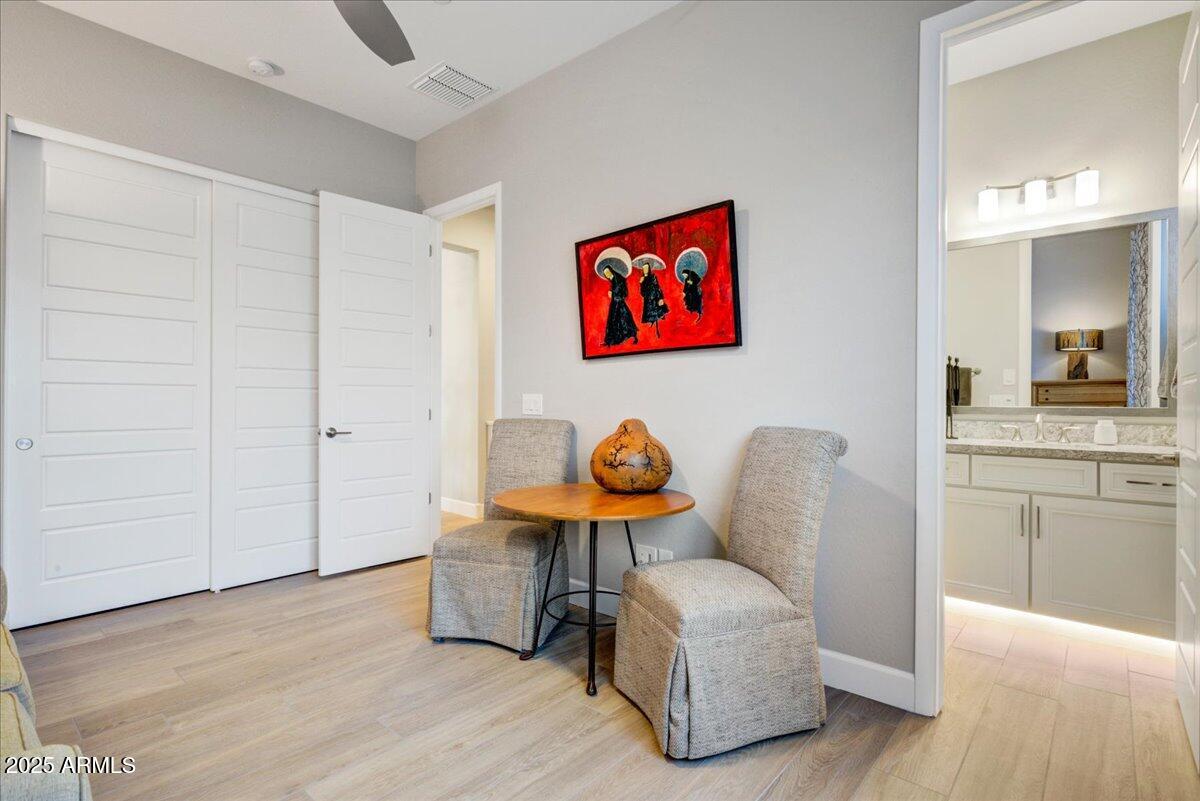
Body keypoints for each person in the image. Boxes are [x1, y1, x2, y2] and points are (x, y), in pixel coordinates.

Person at [602, 266, 639, 346]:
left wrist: (613, 294)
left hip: (619, 304)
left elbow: (624, 294)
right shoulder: (613, 280)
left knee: (624, 321)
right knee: (613, 322)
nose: (607, 275)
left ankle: (633, 337)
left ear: (611, 270)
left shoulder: (619, 279)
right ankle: (610, 341)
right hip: (614, 304)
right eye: (605, 274)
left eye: (607, 272)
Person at [638, 262, 669, 336]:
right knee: (649, 313)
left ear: (649, 268)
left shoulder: (653, 277)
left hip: (654, 297)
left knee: (656, 312)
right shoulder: (642, 279)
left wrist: (660, 298)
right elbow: (642, 293)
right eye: (644, 268)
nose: (645, 269)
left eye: (646, 268)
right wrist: (641, 283)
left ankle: (657, 329)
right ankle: (652, 324)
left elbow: (657, 288)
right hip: (647, 300)